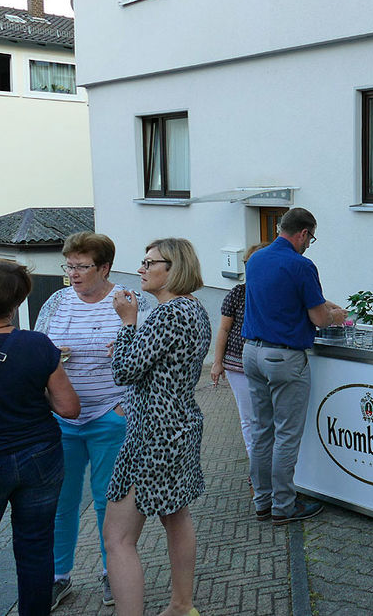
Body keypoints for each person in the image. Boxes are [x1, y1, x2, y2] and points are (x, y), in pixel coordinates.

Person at [34, 232, 150, 611]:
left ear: (104, 268)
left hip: (111, 416)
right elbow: (37, 352)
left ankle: (112, 571)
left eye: (82, 267)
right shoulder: (56, 301)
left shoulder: (133, 301)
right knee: (60, 501)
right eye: (69, 266)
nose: (73, 274)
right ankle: (58, 577)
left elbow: (147, 365)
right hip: (62, 419)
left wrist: (125, 409)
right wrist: (53, 355)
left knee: (108, 500)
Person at [103, 239, 211, 616]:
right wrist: (129, 344)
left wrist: (127, 324)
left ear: (174, 267)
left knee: (116, 538)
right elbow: (155, 364)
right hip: (180, 425)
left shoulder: (168, 314)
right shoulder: (195, 310)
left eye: (150, 263)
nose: (141, 269)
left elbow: (124, 370)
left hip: (153, 434)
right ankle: (182, 606)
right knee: (176, 515)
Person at [0, 260, 80, 616]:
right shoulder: (37, 345)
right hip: (39, 457)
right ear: (17, 301)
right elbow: (68, 408)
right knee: (36, 548)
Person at [242, 208, 348, 526]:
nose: (308, 244)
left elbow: (285, 298)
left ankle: (262, 502)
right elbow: (318, 318)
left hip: (251, 353)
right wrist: (335, 316)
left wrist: (322, 303)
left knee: (261, 432)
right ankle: (284, 506)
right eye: (310, 238)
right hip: (284, 356)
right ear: (302, 233)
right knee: (286, 435)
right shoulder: (301, 265)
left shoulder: (258, 258)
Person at [210, 243, 269, 468]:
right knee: (249, 418)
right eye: (248, 263)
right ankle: (256, 469)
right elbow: (224, 329)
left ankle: (266, 467)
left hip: (266, 362)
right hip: (237, 364)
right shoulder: (237, 293)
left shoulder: (277, 293)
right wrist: (217, 363)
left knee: (266, 419)